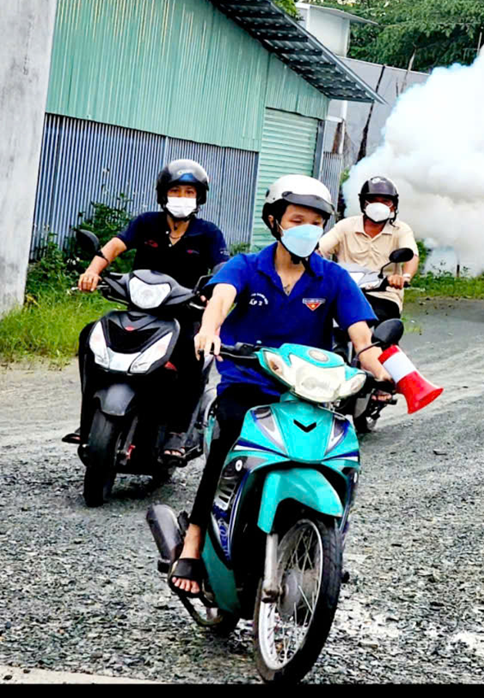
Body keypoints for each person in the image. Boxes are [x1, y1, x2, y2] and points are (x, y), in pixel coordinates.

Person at [168, 174, 393, 597]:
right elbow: (220, 299)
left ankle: (329, 547)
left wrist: (377, 368)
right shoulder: (246, 266)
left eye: (316, 223)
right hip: (249, 385)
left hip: (310, 394)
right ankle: (194, 541)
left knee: (340, 454)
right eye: (296, 220)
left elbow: (361, 337)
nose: (307, 229)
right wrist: (209, 330)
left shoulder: (332, 277)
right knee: (228, 436)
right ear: (274, 221)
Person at [63, 159, 229, 460]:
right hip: (139, 311)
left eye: (189, 192)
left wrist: (214, 291)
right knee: (91, 338)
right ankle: (89, 419)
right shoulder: (146, 223)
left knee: (193, 353)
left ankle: (178, 432)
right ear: (163, 194)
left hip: (184, 315)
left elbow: (222, 268)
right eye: (175, 191)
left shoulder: (208, 233)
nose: (181, 197)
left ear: (199, 197)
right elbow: (115, 246)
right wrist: (92, 271)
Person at [318, 176, 419, 323]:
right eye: (373, 200)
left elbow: (412, 256)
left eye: (385, 201)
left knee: (376, 325)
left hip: (383, 295)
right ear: (363, 203)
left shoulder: (400, 230)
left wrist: (405, 277)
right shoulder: (345, 226)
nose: (379, 205)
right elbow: (320, 249)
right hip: (345, 292)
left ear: (393, 206)